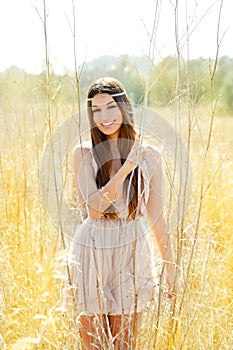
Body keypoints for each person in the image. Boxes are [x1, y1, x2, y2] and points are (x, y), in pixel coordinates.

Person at [68, 77, 176, 349]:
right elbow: (93, 210)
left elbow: (155, 216)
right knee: (93, 344)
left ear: (124, 107)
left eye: (110, 107)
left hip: (132, 248)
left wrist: (170, 264)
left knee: (124, 343)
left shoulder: (149, 154)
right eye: (96, 110)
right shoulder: (82, 153)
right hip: (92, 249)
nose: (104, 117)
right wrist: (125, 170)